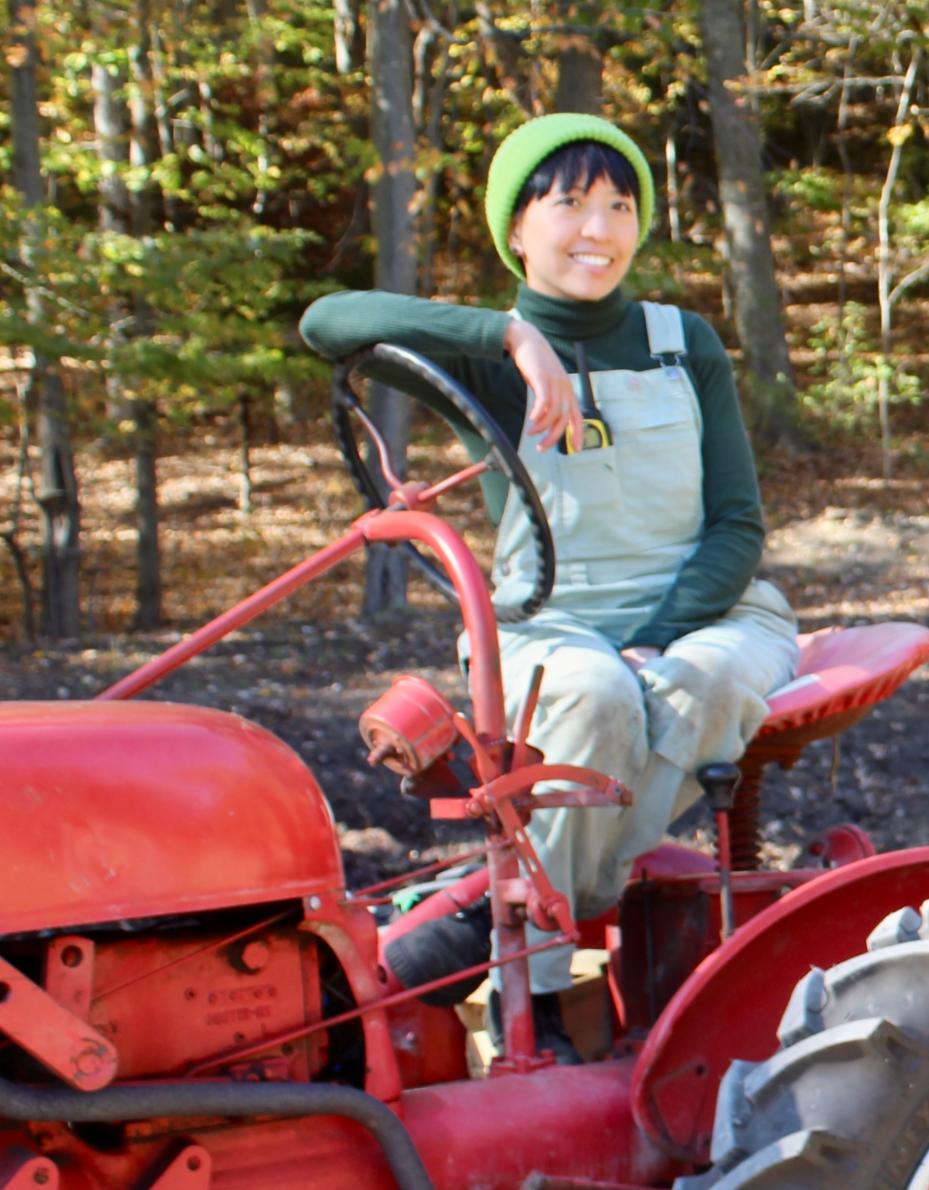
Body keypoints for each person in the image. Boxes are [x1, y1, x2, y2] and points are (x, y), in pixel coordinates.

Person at [300, 113, 799, 1060]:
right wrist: (510, 337)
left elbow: (738, 524)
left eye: (620, 207)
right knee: (596, 694)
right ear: (517, 229)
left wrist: (662, 632)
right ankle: (534, 983)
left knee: (699, 682)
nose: (599, 230)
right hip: (550, 619)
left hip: (708, 610)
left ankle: (515, 924)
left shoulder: (682, 342)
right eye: (570, 204)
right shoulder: (487, 357)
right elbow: (328, 323)